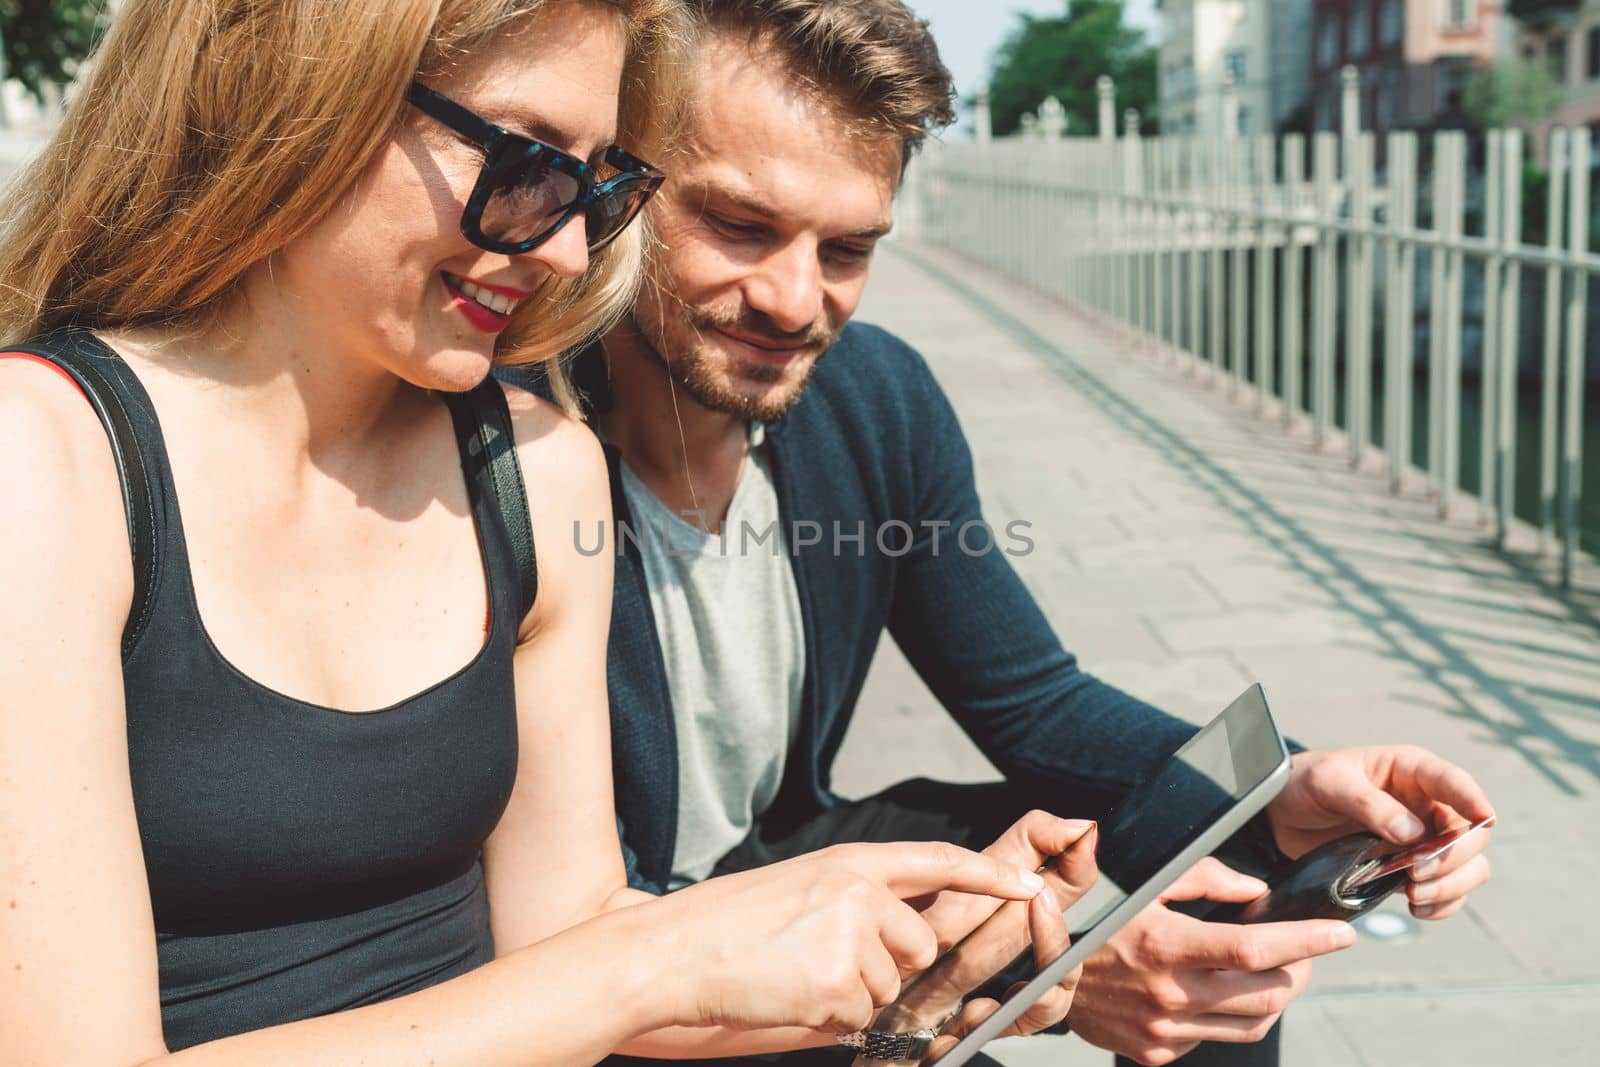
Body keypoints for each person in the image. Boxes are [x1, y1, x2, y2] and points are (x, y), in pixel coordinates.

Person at [0, 1, 1093, 1063]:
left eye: (595, 182)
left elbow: (570, 943)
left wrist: (892, 979)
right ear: (302, 92)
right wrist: (656, 961)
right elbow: (609, 975)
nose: (568, 250)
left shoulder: (534, 467)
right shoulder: (44, 464)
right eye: (525, 164)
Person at [521, 1, 1499, 1064]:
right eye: (739, 225)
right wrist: (1056, 974)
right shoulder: (506, 452)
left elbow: (1031, 701)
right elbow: (543, 935)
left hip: (781, 854)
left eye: (847, 247)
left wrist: (1294, 781)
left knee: (1226, 873)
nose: (795, 300)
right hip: (611, 955)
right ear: (620, 181)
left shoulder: (873, 397)